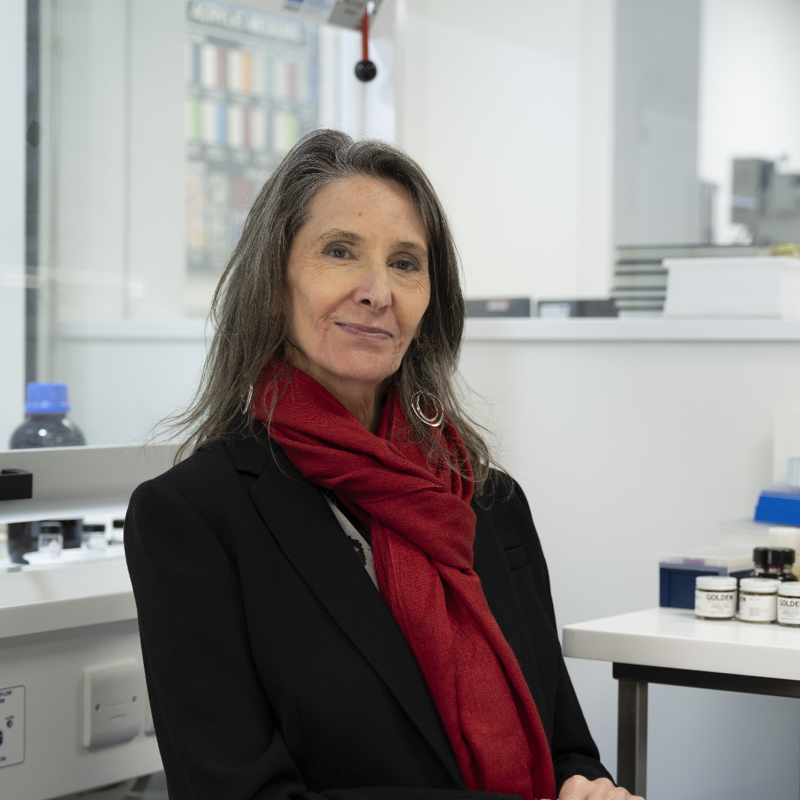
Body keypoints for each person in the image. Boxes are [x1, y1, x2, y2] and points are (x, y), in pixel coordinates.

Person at [125, 129, 642, 800]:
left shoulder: (490, 503)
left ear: (431, 301)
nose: (377, 291)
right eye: (340, 252)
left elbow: (565, 746)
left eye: (405, 263)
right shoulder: (194, 518)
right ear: (274, 279)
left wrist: (587, 786)